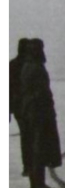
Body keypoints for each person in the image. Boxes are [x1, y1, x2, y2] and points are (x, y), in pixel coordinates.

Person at [19, 39, 61, 188]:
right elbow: (40, 92)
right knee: (38, 148)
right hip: (38, 113)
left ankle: (36, 183)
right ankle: (39, 185)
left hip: (32, 111)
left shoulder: (28, 65)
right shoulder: (35, 67)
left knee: (34, 148)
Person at [10, 38, 31, 176]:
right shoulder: (28, 65)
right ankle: (30, 166)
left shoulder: (12, 64)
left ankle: (28, 166)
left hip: (18, 107)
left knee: (26, 137)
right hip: (25, 106)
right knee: (30, 137)